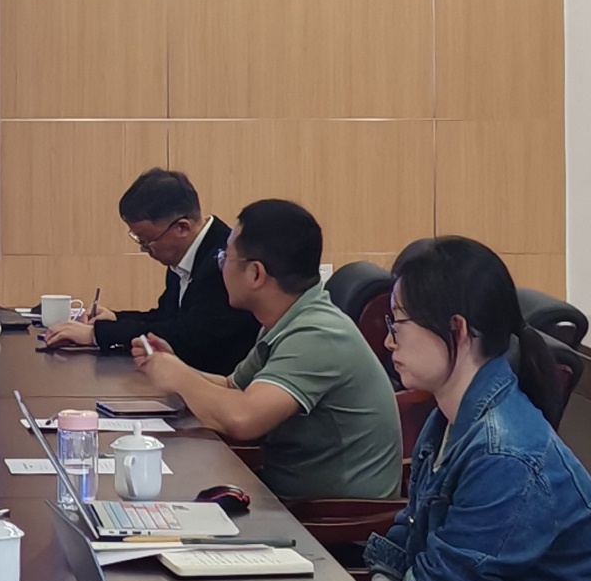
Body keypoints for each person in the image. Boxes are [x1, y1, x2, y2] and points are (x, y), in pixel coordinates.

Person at [355, 235, 591, 581]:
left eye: (398, 324)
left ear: (457, 329)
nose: (389, 341)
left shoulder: (504, 454)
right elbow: (410, 536)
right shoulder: (447, 419)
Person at [127, 196, 403, 505]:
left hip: (329, 519)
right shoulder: (287, 318)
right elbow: (233, 387)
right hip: (285, 498)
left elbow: (243, 418)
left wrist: (179, 377)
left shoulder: (318, 334)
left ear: (256, 274)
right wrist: (172, 364)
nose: (221, 266)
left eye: (225, 257)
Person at [38, 165, 250, 372]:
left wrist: (97, 334)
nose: (144, 249)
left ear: (182, 227)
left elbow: (188, 336)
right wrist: (115, 319)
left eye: (148, 241)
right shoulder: (186, 253)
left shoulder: (225, 260)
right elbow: (166, 317)